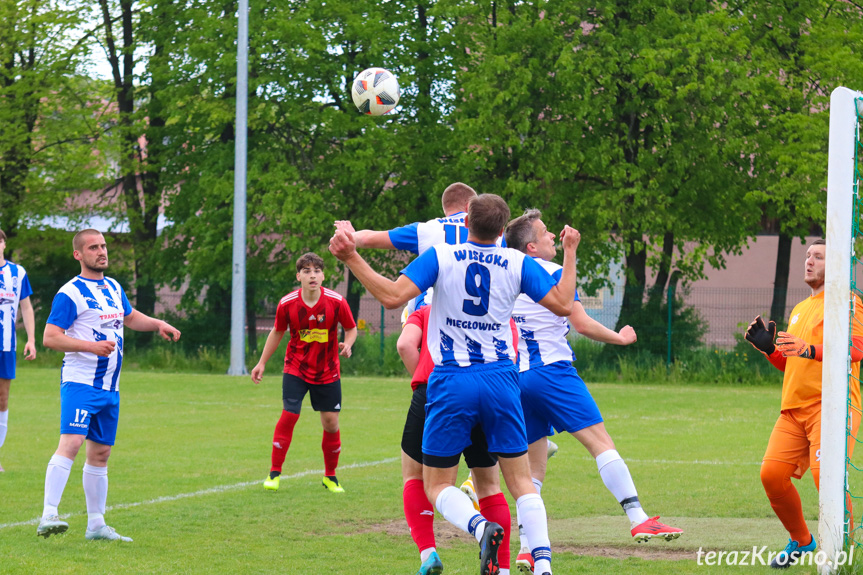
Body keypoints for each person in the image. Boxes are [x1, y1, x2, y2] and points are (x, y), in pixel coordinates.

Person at [331, 193, 580, 575]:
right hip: (501, 379)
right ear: (502, 231)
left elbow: (392, 296)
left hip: (451, 380)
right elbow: (564, 304)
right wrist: (570, 251)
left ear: (465, 224)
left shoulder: (443, 256)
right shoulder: (517, 261)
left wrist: (351, 257)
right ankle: (544, 567)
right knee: (520, 483)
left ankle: (480, 527)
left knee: (436, 485)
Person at [504, 210, 682, 572]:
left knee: (532, 471)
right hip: (552, 371)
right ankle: (637, 516)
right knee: (601, 443)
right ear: (531, 247)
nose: (554, 235)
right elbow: (579, 322)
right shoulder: (552, 272)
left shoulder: (507, 276)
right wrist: (619, 337)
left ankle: (526, 546)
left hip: (518, 378)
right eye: (545, 233)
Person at [37, 229, 181, 541]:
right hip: (80, 383)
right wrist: (91, 347)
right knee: (72, 443)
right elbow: (50, 337)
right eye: (93, 248)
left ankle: (96, 525)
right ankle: (49, 514)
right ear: (78, 255)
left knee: (100, 453)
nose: (101, 252)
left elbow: (128, 318)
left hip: (109, 388)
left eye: (103, 246)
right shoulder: (70, 293)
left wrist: (157, 323)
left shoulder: (114, 286)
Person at [746, 238, 863, 568]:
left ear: (836, 264)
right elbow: (793, 363)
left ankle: (844, 553)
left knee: (825, 478)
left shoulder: (846, 302)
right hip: (793, 411)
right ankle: (802, 541)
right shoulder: (799, 309)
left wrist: (809, 349)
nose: (809, 261)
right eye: (808, 256)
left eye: (819, 257)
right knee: (771, 475)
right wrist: (771, 350)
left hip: (832, 407)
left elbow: (856, 350)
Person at [397, 292, 515, 575]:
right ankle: (505, 569)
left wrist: (424, 378)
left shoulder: (427, 310)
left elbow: (404, 345)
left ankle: (431, 552)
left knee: (419, 477)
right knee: (488, 486)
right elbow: (513, 351)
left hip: (440, 391)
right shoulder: (493, 311)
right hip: (489, 392)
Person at [251, 252, 357, 493]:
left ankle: (330, 476)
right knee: (289, 415)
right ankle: (274, 473)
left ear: (323, 276)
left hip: (328, 371)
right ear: (298, 276)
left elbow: (351, 329)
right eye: (307, 271)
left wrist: (348, 344)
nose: (313, 275)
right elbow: (277, 332)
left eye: (317, 271)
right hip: (295, 367)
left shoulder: (337, 301)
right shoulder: (287, 303)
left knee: (330, 423)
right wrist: (262, 363)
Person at [0, 229, 37, 472]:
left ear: (3, 243)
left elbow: (26, 307)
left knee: (2, 399)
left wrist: (31, 339)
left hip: (6, 346)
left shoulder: (18, 272)